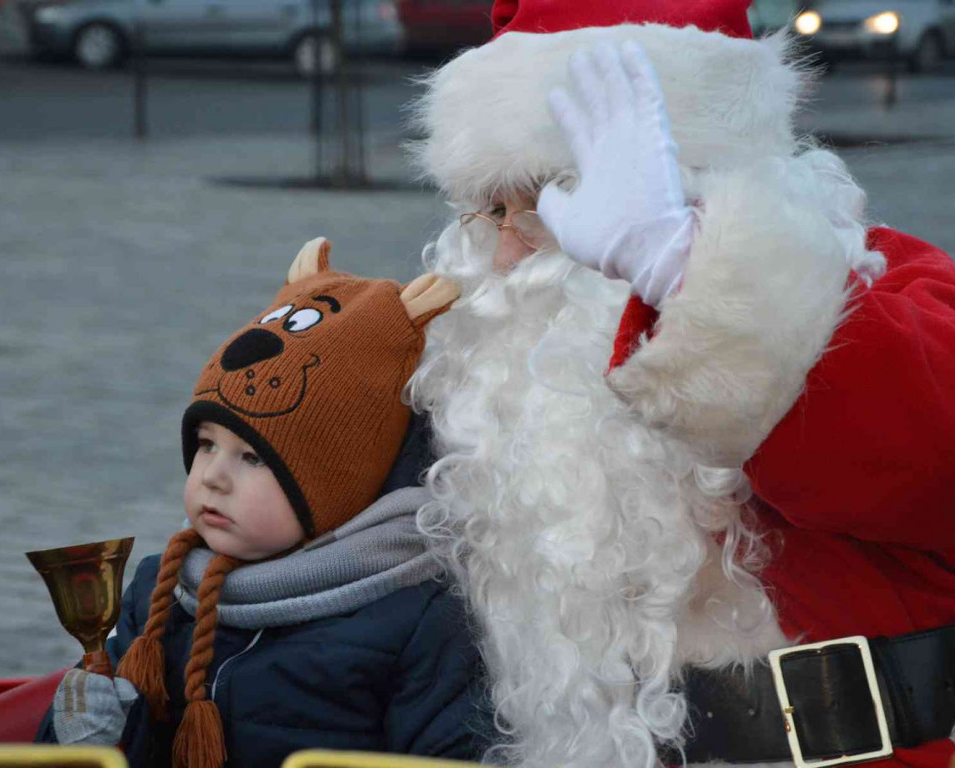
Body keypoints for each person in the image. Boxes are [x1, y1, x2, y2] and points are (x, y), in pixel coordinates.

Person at [405, 2, 955, 767]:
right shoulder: (483, 374)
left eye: (538, 205)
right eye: (488, 211)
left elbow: (931, 457)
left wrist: (690, 275)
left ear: (683, 172)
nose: (500, 259)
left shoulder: (880, 283)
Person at [36, 238, 495, 768]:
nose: (212, 477)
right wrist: (78, 738)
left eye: (253, 458)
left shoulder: (414, 618)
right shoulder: (161, 590)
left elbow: (453, 753)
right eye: (206, 444)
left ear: (339, 484)